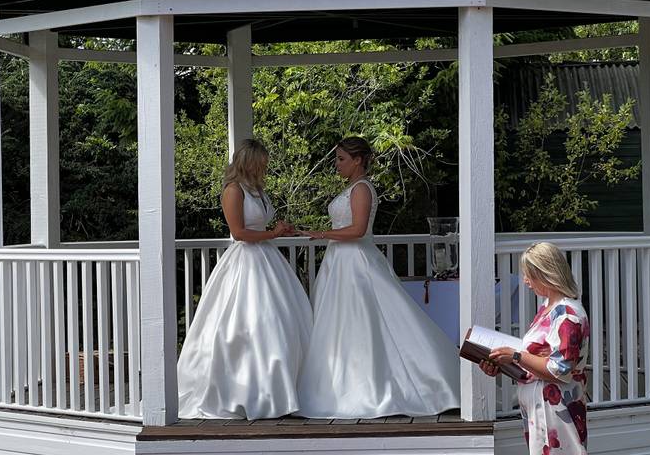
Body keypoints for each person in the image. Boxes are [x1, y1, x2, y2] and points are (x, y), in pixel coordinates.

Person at [296, 136, 459, 418]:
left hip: (356, 262)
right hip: (340, 262)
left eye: (341, 159)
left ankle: (378, 386)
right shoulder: (352, 188)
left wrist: (322, 234)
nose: (337, 164)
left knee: (363, 321)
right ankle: (338, 385)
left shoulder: (361, 189)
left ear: (358, 161)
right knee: (339, 325)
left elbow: (358, 230)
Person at [177, 139, 312, 419]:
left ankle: (283, 390)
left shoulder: (258, 190)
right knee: (247, 324)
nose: (264, 167)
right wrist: (272, 234)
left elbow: (260, 228)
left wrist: (278, 231)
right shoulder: (233, 190)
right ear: (248, 162)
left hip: (267, 260)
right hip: (245, 261)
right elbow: (239, 232)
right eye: (260, 162)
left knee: (281, 321)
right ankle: (245, 392)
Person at [481, 242, 590, 455]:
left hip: (556, 411)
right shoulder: (548, 308)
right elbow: (536, 357)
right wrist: (503, 362)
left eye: (529, 275)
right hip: (541, 410)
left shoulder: (568, 315)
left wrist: (515, 355)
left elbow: (559, 369)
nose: (526, 281)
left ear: (546, 274)